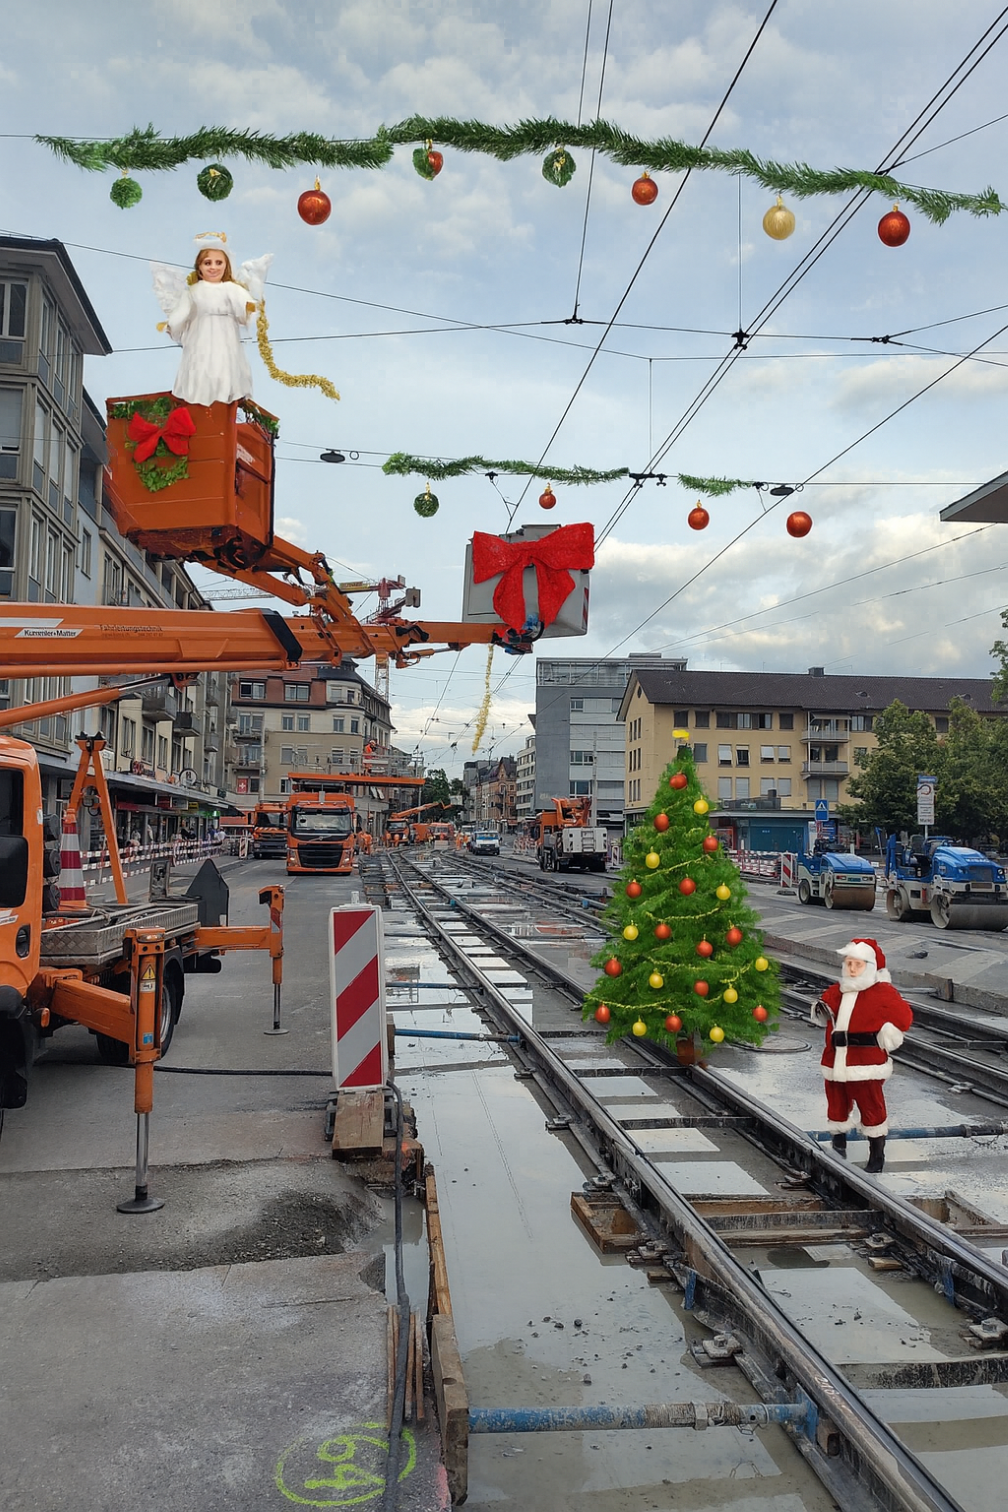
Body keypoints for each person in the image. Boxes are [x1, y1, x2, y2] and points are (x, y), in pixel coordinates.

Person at [810, 938, 913, 1173]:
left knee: (871, 1105)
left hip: (865, 1061)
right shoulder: (839, 989)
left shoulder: (882, 992)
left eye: (858, 964)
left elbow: (904, 1018)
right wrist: (821, 1008)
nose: (852, 969)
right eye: (849, 964)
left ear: (870, 966)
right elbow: (824, 1008)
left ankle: (876, 1155)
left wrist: (888, 1031)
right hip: (836, 1058)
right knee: (836, 1103)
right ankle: (838, 1147)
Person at [152, 235, 273, 408]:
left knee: (223, 372)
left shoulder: (231, 289)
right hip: (200, 340)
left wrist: (251, 304)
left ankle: (222, 408)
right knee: (201, 372)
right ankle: (200, 409)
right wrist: (172, 324)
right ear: (199, 267)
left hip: (226, 341)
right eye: (208, 263)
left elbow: (245, 308)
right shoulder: (193, 292)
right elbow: (181, 314)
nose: (213, 267)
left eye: (218, 263)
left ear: (226, 265)